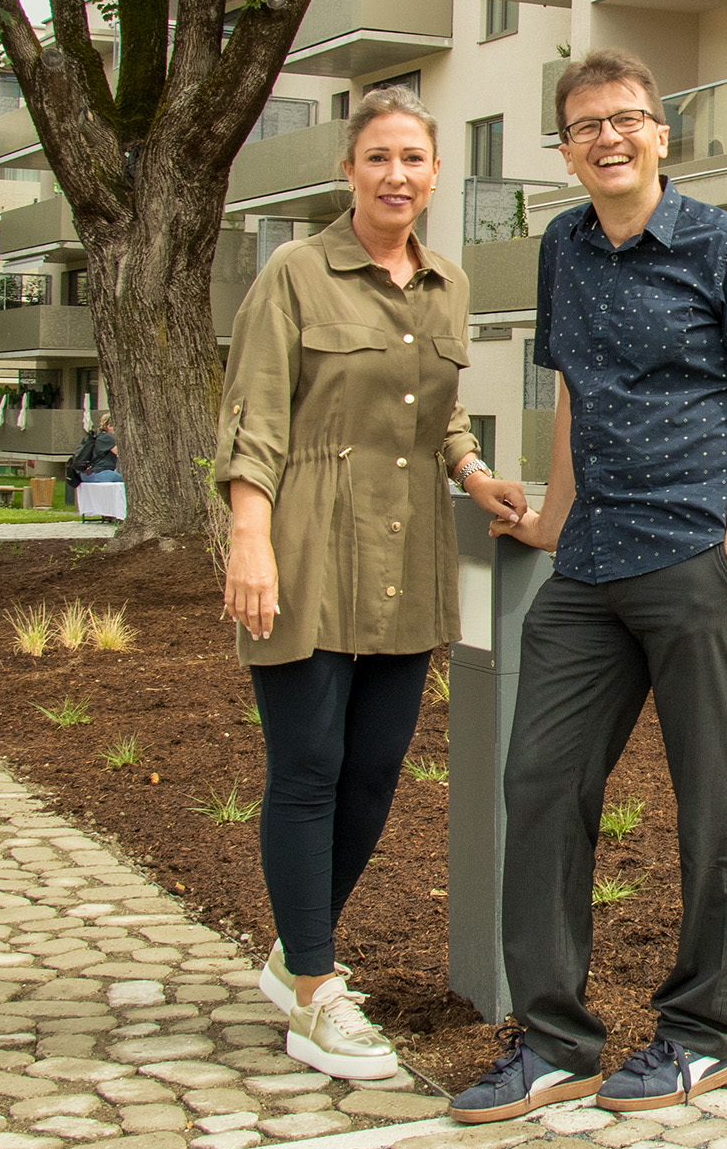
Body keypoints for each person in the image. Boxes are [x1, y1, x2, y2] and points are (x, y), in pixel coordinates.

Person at [454, 47, 727, 1123]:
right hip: (590, 565)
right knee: (539, 786)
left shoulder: (726, 251)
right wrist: (556, 517)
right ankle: (556, 1041)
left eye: (625, 119)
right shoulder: (565, 246)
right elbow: (575, 396)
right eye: (584, 125)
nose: (607, 137)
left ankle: (701, 1033)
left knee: (712, 805)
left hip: (696, 561)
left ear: (661, 134)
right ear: (565, 152)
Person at [216, 85, 528, 1082]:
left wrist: (476, 474)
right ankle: (314, 985)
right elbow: (254, 418)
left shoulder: (449, 283)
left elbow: (439, 416)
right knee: (307, 769)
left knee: (374, 774)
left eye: (414, 159)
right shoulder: (295, 275)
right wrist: (249, 535)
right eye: (379, 156)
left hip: (403, 560)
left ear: (436, 175)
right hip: (306, 545)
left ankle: (293, 950)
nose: (398, 174)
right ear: (349, 169)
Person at [64, 413, 120, 498]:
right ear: (109, 426)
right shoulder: (108, 438)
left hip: (86, 474)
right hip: (100, 473)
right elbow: (121, 453)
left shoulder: (96, 436)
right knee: (129, 481)